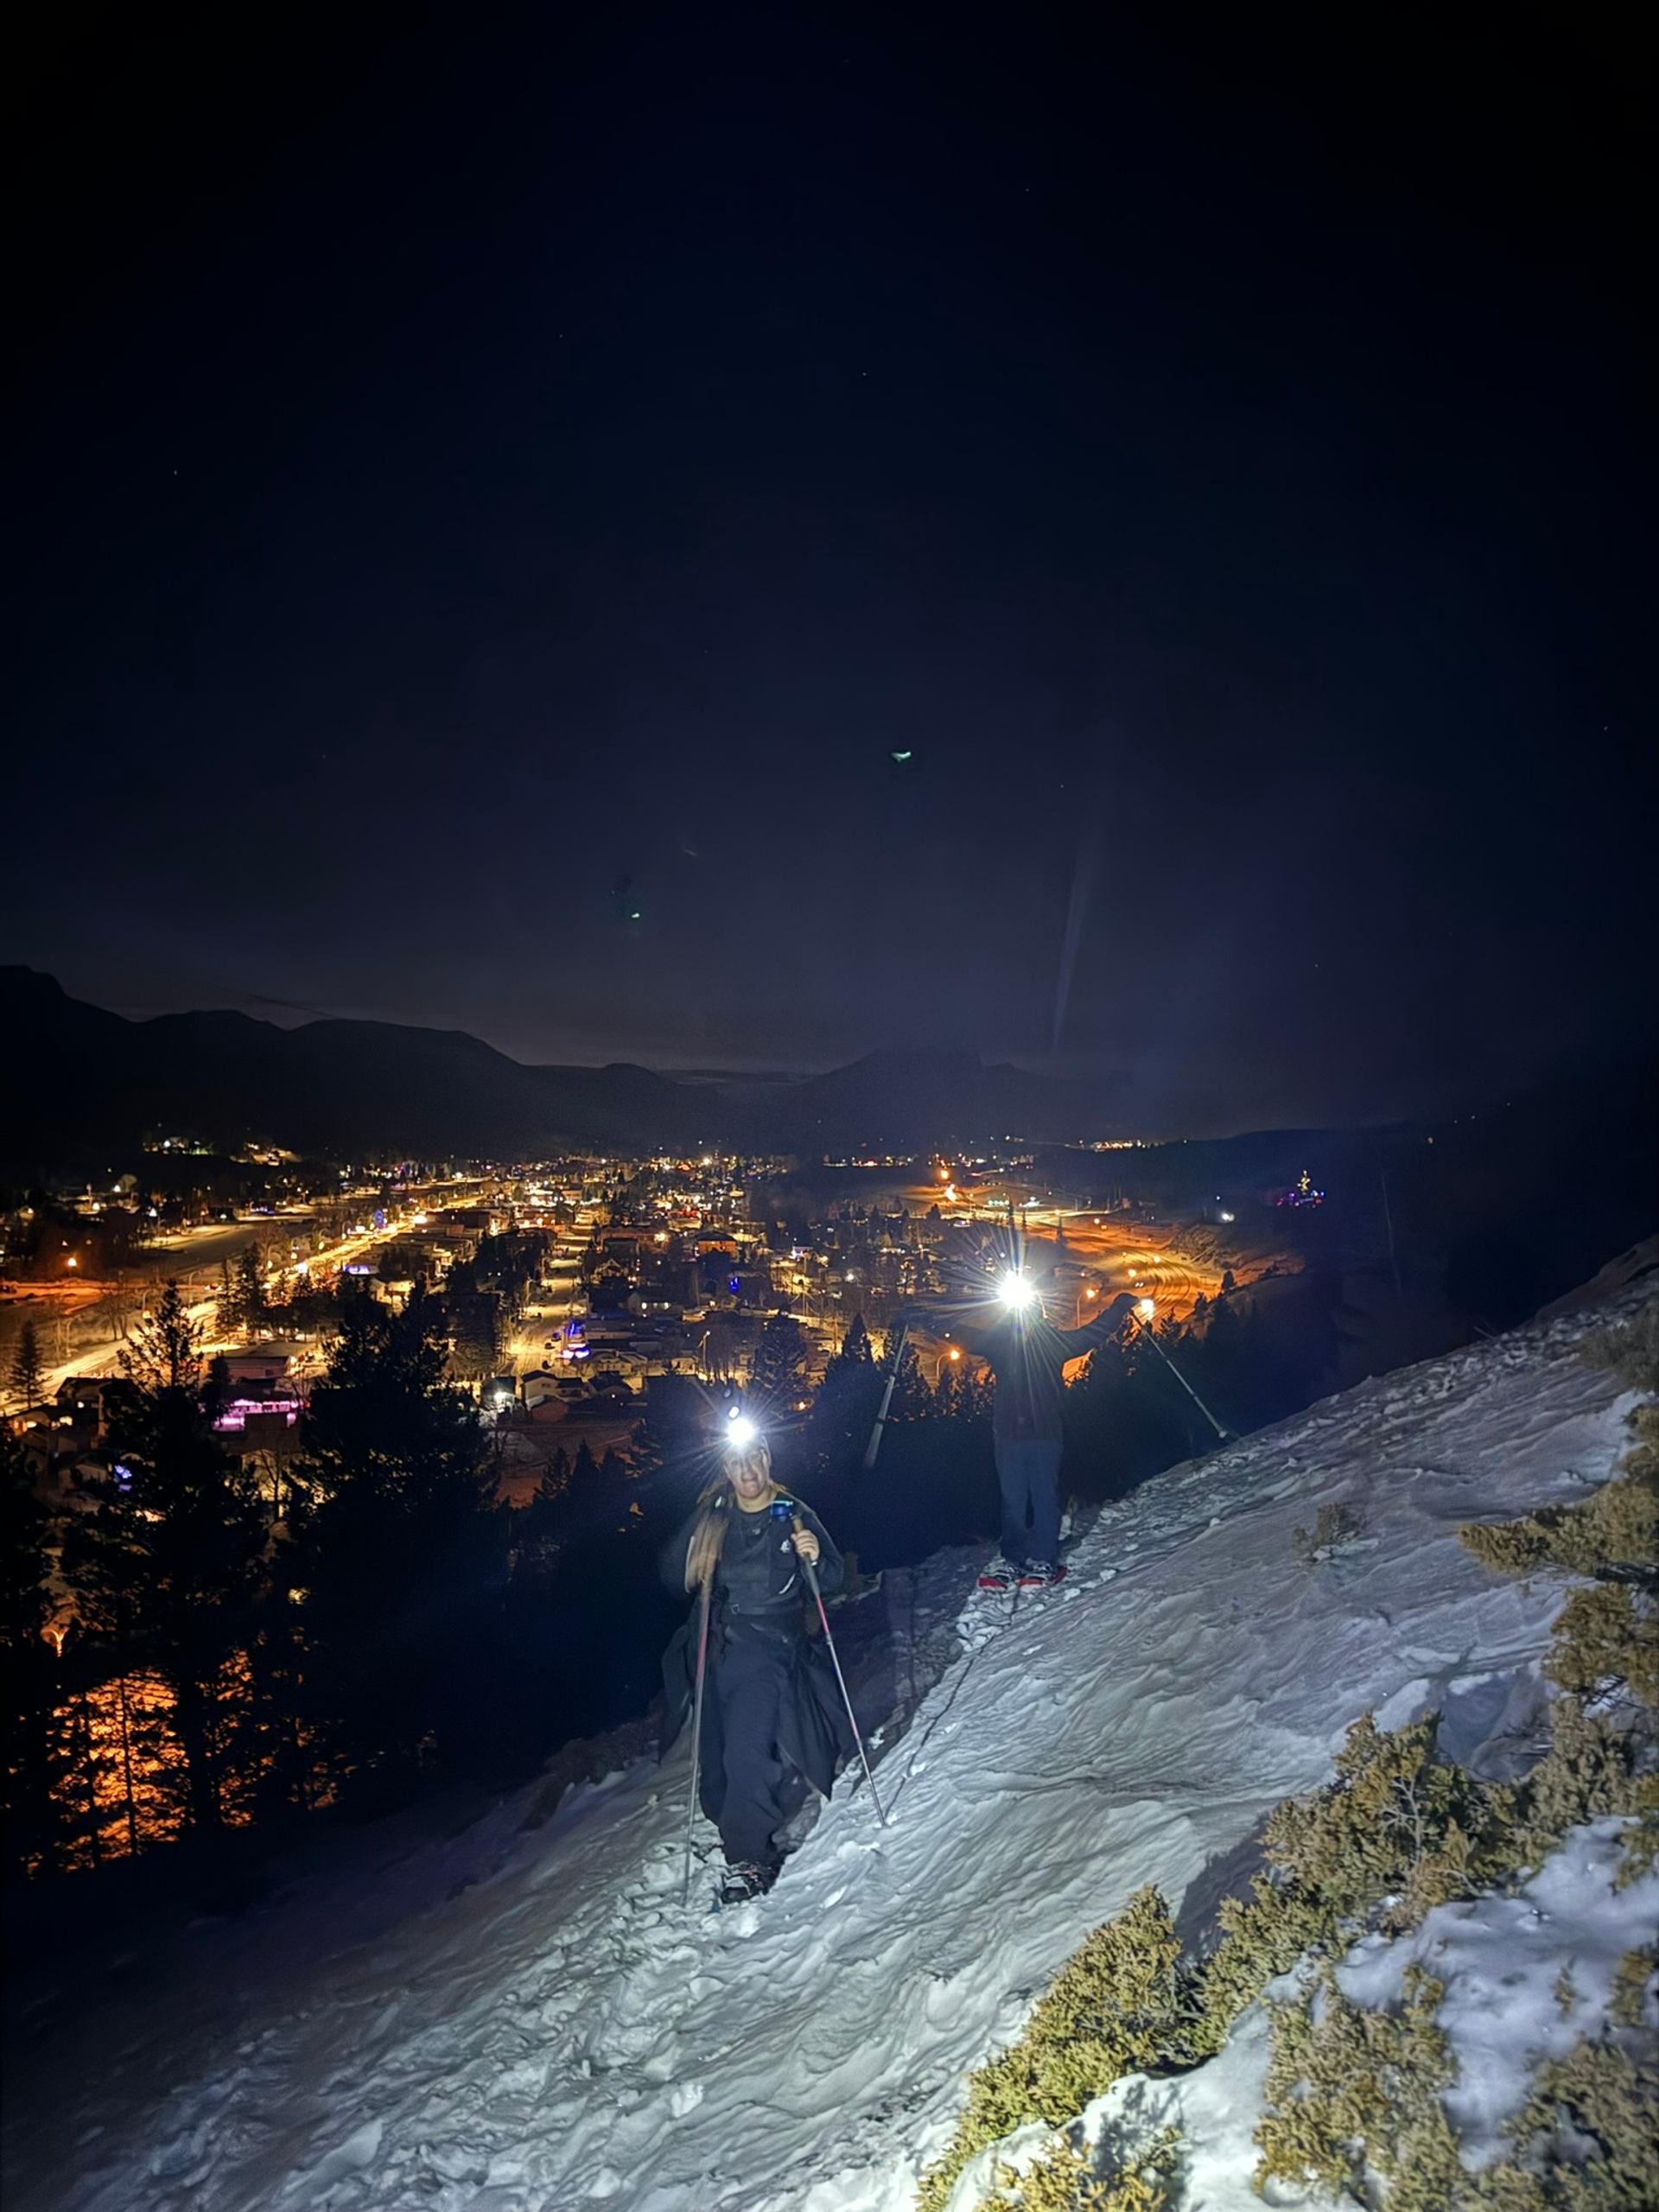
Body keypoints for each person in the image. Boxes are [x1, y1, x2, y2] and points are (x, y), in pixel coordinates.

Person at [659, 1432, 852, 1901]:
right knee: (718, 1756)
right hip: (719, 1644)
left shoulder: (793, 1513)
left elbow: (831, 1578)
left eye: (755, 1459)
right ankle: (731, 1822)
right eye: (736, 1462)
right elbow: (671, 1574)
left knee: (747, 1749)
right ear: (726, 1468)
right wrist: (693, 1561)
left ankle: (748, 1858)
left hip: (772, 1646)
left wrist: (815, 1556)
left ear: (767, 1459)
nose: (747, 1471)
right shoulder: (714, 1517)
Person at [956, 1277, 1137, 1588]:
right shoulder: (1001, 1346)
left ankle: (1043, 1559)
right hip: (1012, 1435)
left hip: (1041, 1435)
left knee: (1041, 1497)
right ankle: (1012, 1559)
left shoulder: (1050, 1344)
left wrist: (1119, 1308)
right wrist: (924, 1319)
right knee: (1014, 1500)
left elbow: (1092, 1334)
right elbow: (963, 1335)